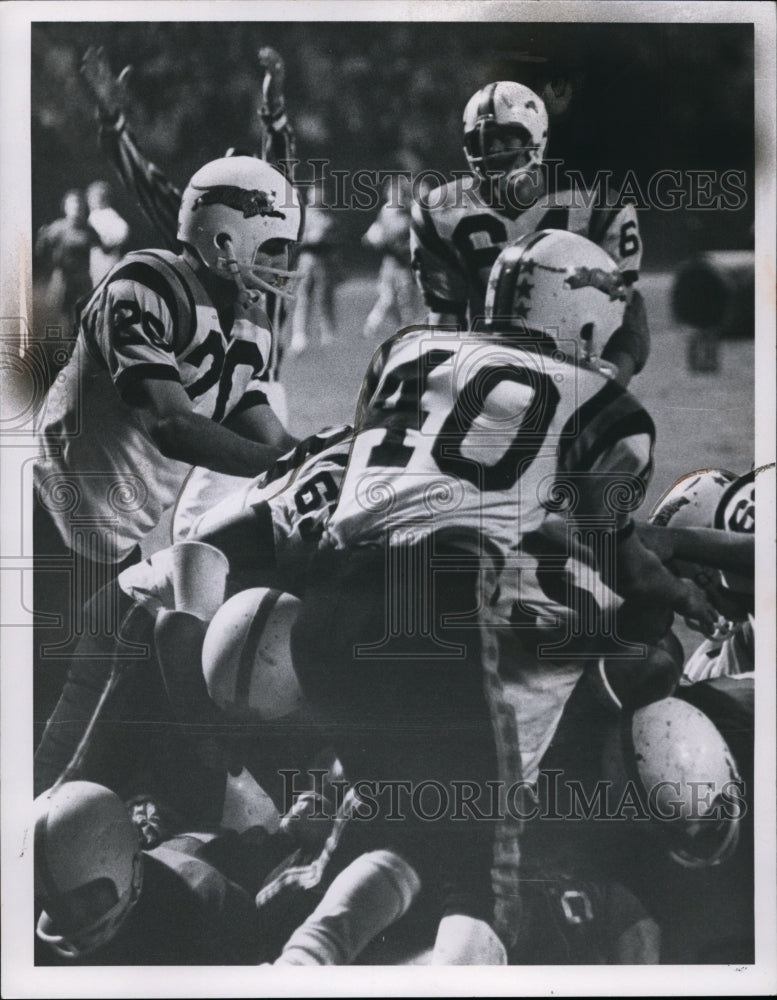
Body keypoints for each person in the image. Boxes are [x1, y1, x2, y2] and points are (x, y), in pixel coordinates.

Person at [287, 229, 718, 962]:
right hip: (435, 608)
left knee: (410, 829)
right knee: (486, 884)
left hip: (323, 605)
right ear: (582, 323)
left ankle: (298, 963)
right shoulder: (609, 412)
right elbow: (615, 552)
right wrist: (680, 591)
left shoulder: (407, 348)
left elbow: (437, 455)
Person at [33, 152, 302, 736]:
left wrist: (326, 457)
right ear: (227, 238)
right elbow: (172, 426)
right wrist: (281, 468)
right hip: (44, 522)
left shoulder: (247, 320)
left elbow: (264, 428)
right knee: (42, 708)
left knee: (109, 717)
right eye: (275, 245)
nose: (285, 263)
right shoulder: (144, 282)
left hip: (112, 536)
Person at [79, 44, 296, 419]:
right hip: (204, 391)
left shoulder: (268, 224)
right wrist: (112, 120)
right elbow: (144, 182)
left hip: (250, 395)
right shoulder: (202, 227)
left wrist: (275, 113)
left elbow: (280, 176)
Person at [410, 80, 650, 386]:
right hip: (486, 363)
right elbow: (445, 316)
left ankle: (606, 395)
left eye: (505, 139)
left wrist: (604, 384)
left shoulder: (595, 205)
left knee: (633, 304)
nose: (492, 151)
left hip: (575, 362)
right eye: (482, 141)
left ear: (536, 137)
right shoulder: (441, 213)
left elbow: (623, 307)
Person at [34, 781, 420, 966]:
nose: (73, 919)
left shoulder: (199, 892)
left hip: (238, 899)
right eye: (59, 903)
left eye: (84, 898)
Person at [287, 179, 340, 355]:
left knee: (325, 298)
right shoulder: (303, 215)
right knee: (303, 298)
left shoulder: (329, 216)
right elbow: (295, 238)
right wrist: (308, 239)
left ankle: (328, 334)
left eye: (320, 193)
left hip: (323, 262)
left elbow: (335, 242)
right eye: (314, 192)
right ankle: (299, 336)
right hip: (306, 260)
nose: (317, 196)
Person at [362, 176, 417, 340]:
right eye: (392, 193)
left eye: (398, 194)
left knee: (405, 298)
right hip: (390, 263)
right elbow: (374, 233)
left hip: (405, 264)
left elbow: (411, 239)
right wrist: (372, 238)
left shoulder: (409, 213)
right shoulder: (385, 212)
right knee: (387, 296)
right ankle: (372, 325)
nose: (395, 197)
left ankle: (406, 328)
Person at [35, 189, 100, 318]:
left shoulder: (89, 230)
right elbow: (40, 252)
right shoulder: (57, 228)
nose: (76, 208)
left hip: (83, 280)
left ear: (83, 208)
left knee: (84, 316)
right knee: (60, 317)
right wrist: (41, 239)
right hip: (62, 279)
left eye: (79, 205)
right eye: (72, 205)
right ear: (65, 208)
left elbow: (104, 249)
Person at [86, 179, 130, 285]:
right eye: (92, 197)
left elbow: (123, 231)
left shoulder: (109, 213)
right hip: (96, 257)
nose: (94, 200)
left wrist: (108, 242)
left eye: (99, 197)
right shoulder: (92, 216)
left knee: (107, 283)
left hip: (108, 258)